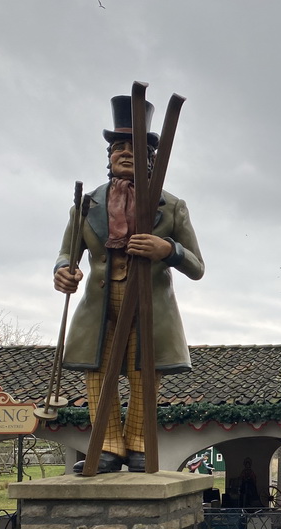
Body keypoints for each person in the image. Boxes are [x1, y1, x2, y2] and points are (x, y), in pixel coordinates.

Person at [54, 95, 204, 474]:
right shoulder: (87, 206)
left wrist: (166, 248)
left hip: (148, 307)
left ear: (151, 156)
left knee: (144, 375)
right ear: (108, 156)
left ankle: (138, 445)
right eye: (117, 147)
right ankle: (106, 447)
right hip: (100, 307)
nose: (124, 153)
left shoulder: (171, 207)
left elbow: (197, 265)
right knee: (97, 375)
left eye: (132, 147)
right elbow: (66, 255)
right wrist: (63, 272)